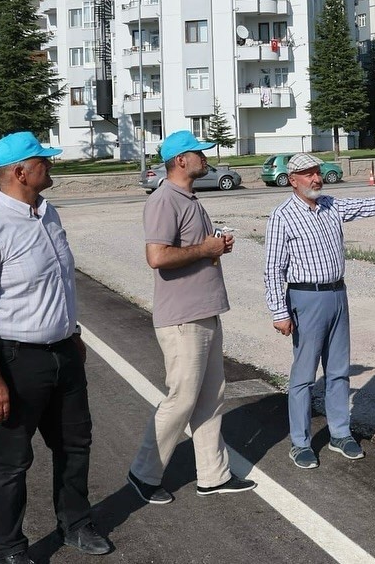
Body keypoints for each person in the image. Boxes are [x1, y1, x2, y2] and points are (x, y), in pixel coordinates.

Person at [0, 131, 111, 564]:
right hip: (13, 360)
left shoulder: (47, 214)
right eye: (44, 161)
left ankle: (76, 524)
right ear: (21, 172)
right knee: (10, 462)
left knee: (75, 445)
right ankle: (9, 549)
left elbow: (57, 285)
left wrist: (73, 334)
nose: (51, 165)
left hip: (63, 353)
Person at [263, 152, 375, 469]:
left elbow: (368, 205)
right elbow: (272, 269)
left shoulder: (331, 206)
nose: (316, 178)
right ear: (292, 180)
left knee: (338, 371)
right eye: (307, 174)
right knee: (304, 377)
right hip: (305, 299)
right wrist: (279, 311)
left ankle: (340, 433)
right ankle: (301, 442)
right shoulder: (282, 216)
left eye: (317, 172)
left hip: (336, 295)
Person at [127, 130, 256, 505]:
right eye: (199, 152)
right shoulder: (165, 200)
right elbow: (157, 257)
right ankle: (143, 472)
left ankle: (213, 476)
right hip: (183, 317)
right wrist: (206, 248)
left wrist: (214, 248)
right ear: (181, 160)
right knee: (182, 399)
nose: (205, 157)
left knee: (211, 398)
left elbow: (192, 250)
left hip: (205, 311)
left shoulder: (190, 198)